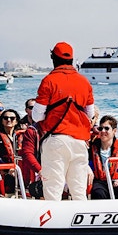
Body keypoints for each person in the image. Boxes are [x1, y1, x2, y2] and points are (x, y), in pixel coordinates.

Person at [32, 41, 94, 201]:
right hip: (80, 142)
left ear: (53, 59)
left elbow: (37, 116)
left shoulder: (48, 81)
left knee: (53, 191)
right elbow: (90, 113)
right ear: (72, 60)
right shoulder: (84, 82)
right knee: (80, 192)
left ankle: (52, 225)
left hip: (56, 141)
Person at [0, 109, 23, 193]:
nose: (8, 120)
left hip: (19, 168)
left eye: (12, 118)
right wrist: (8, 169)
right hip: (3, 170)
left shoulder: (19, 136)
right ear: (2, 120)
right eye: (5, 118)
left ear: (16, 121)